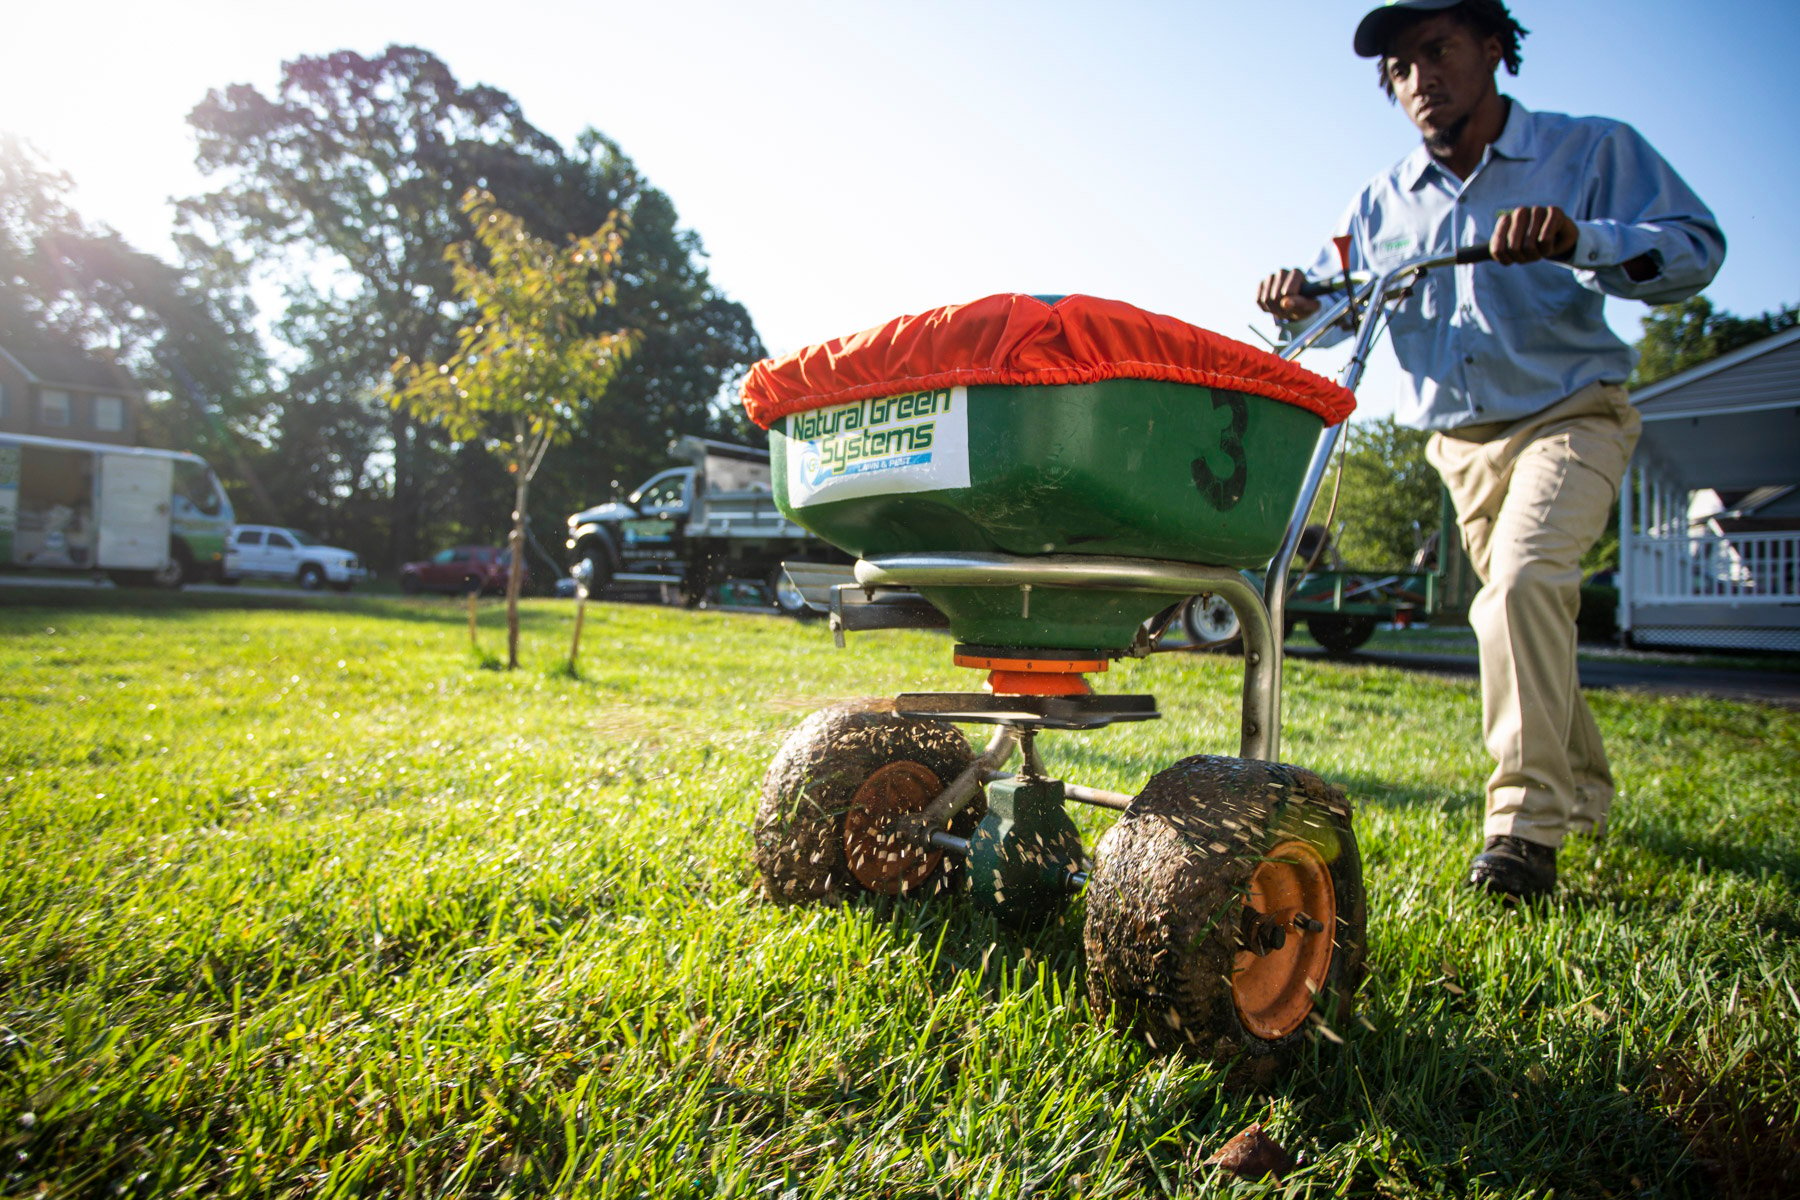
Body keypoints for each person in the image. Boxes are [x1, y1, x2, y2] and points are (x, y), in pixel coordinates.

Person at [1257, 0, 1724, 900]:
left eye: (1437, 50)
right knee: (1525, 616)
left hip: (1570, 416)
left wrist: (1581, 238)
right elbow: (1336, 307)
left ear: (1494, 48)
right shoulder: (1382, 201)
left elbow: (1696, 250)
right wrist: (1294, 299)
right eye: (1398, 68)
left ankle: (1522, 833)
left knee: (1517, 586)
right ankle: (1580, 791)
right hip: (1460, 450)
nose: (1418, 79)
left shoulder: (1586, 151)